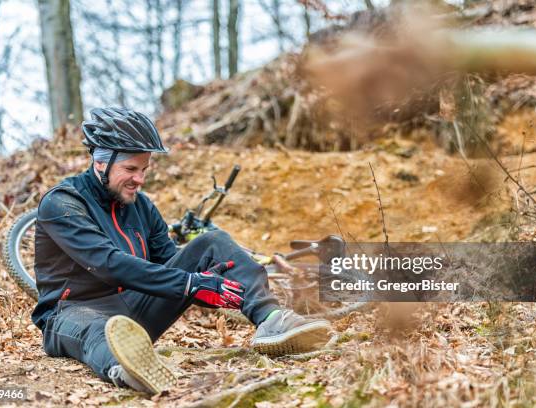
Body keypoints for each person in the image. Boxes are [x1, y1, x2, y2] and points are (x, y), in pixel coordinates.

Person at [32, 107, 332, 394]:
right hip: (70, 314)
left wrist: (208, 281)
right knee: (102, 329)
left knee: (212, 242)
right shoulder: (62, 204)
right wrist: (191, 284)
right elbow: (107, 264)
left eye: (144, 169)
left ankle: (270, 319)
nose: (140, 179)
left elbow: (169, 260)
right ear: (100, 162)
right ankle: (126, 367)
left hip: (133, 308)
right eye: (131, 169)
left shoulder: (141, 205)